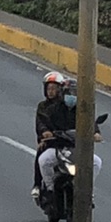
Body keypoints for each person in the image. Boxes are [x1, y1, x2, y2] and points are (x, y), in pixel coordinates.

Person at [34, 70, 78, 199]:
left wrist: (94, 133)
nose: (51, 92)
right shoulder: (46, 107)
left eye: (55, 89)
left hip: (71, 145)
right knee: (41, 157)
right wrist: (45, 133)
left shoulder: (72, 108)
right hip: (52, 143)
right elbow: (41, 122)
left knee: (93, 162)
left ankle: (86, 192)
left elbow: (87, 122)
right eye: (49, 88)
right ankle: (42, 186)